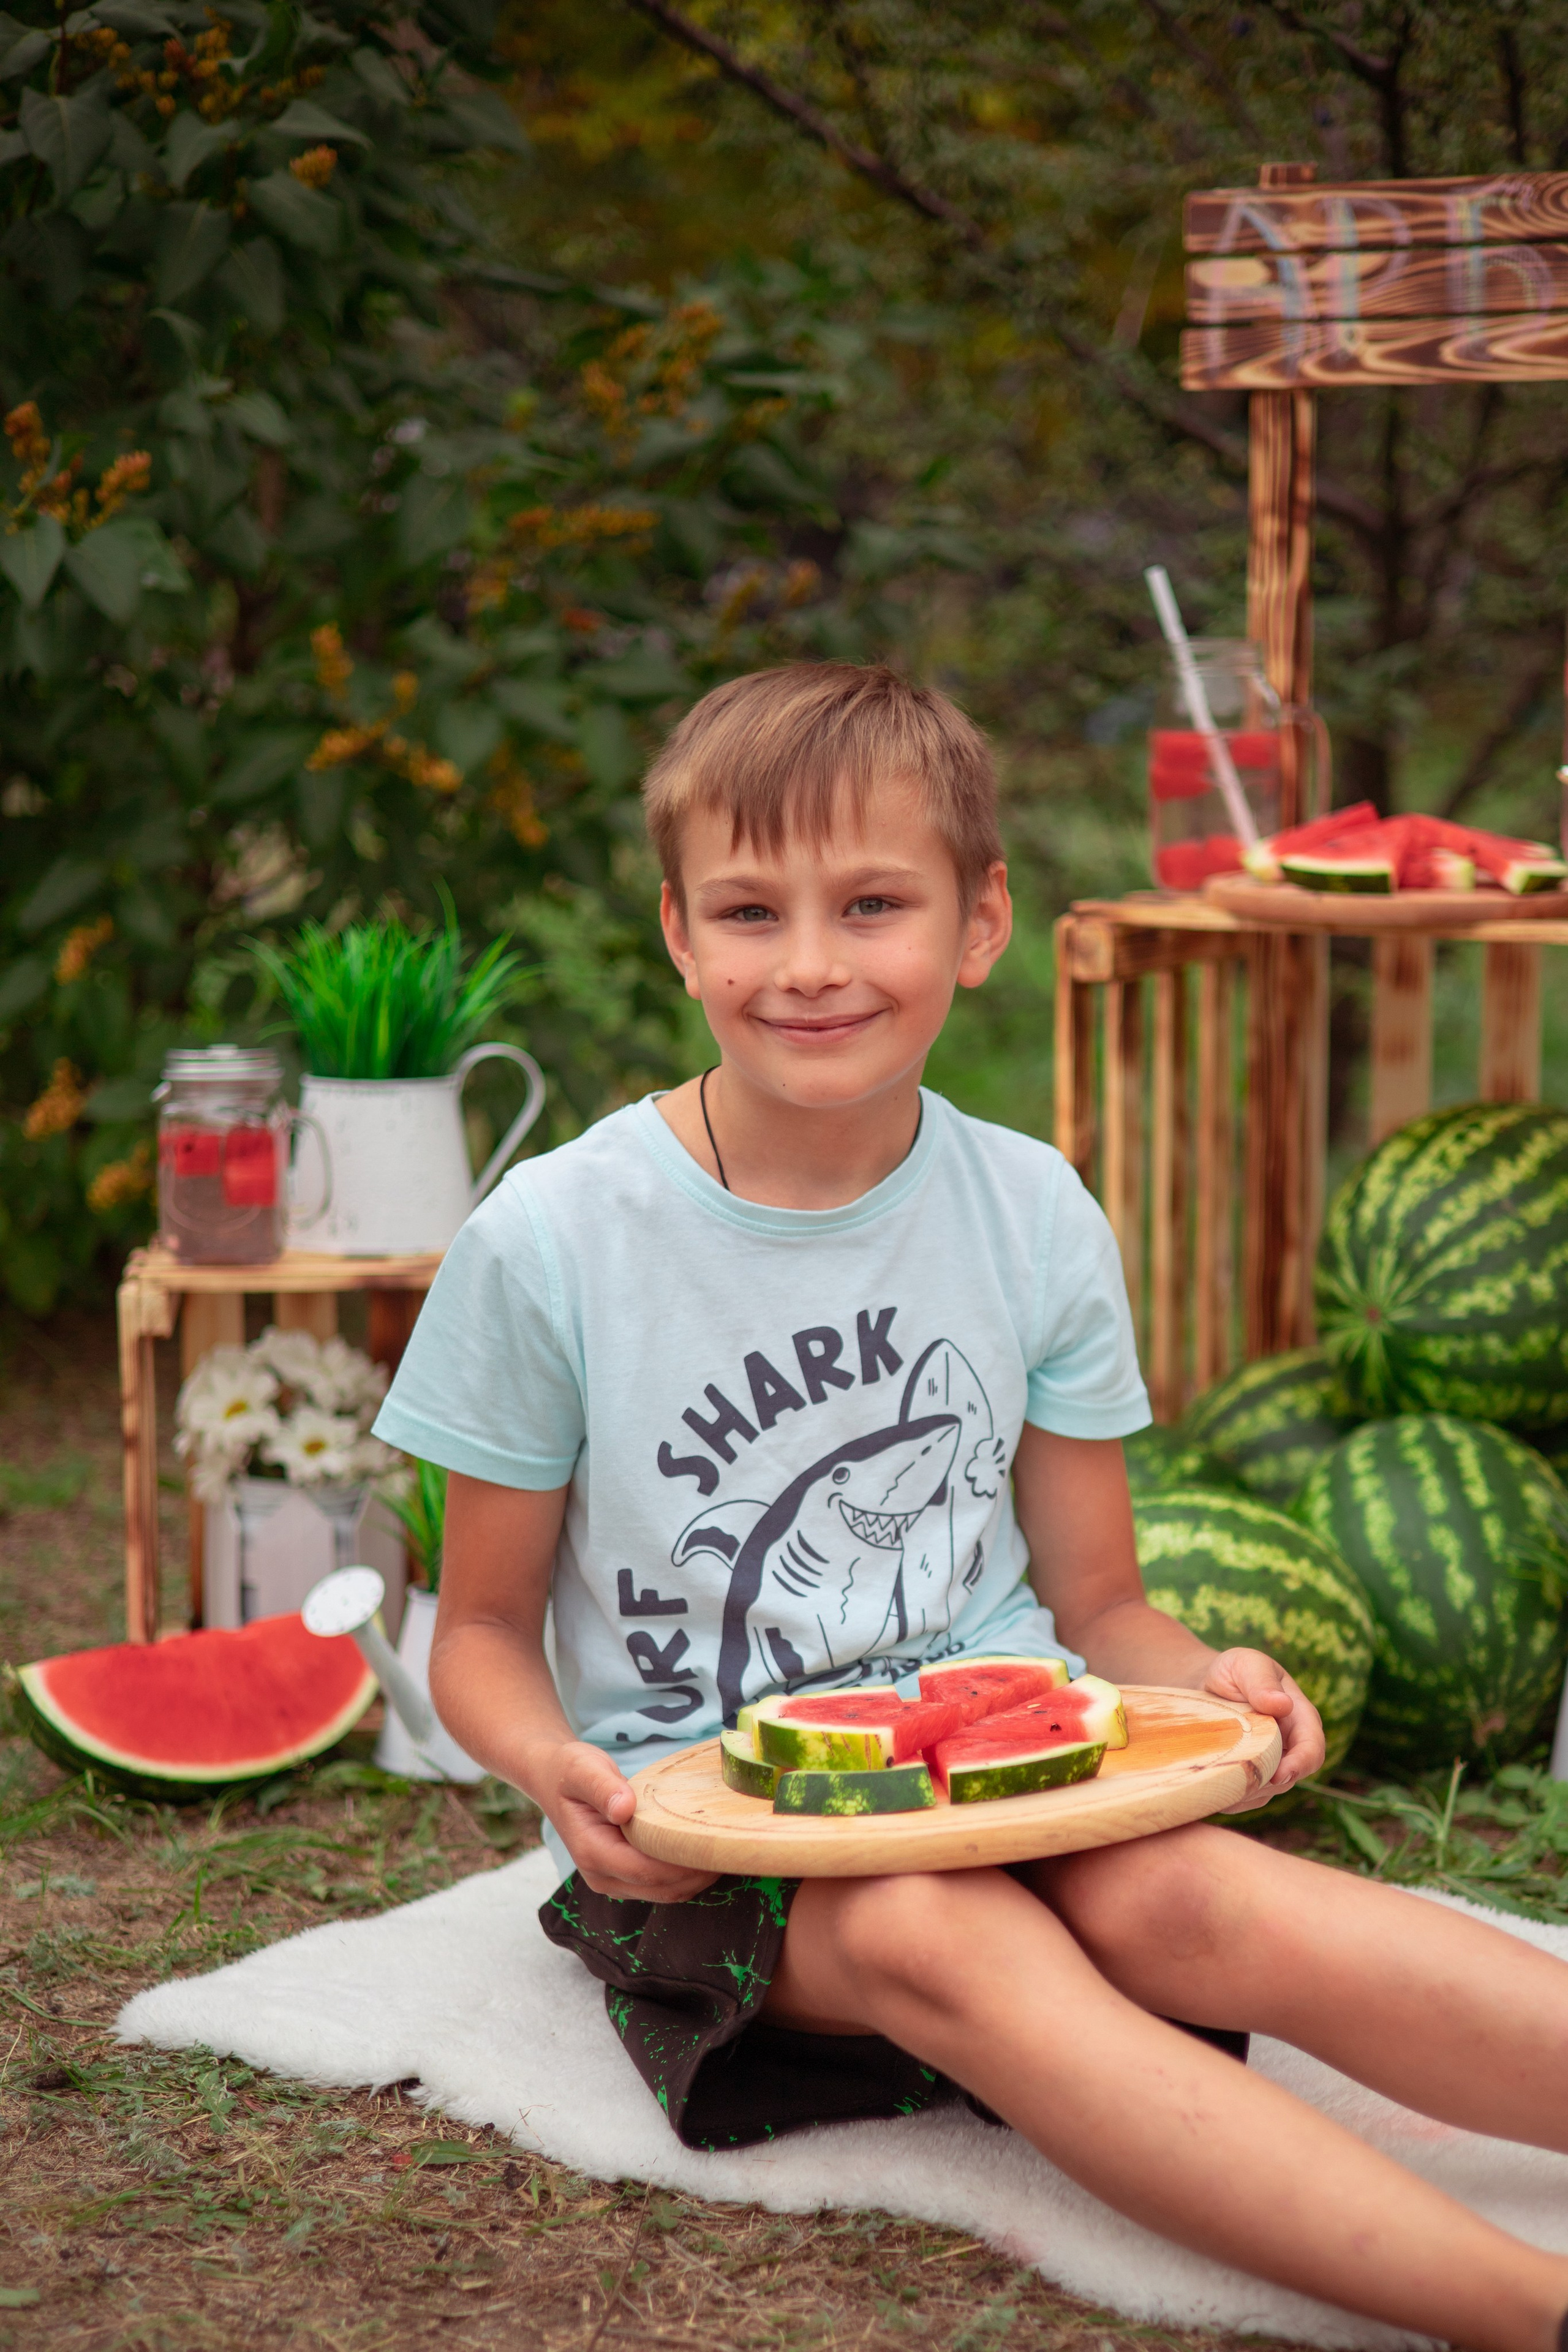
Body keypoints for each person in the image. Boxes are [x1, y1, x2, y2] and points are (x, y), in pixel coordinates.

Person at [374, 663, 1568, 2352]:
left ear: (980, 921)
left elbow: (1100, 1605)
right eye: (749, 909)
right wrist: (553, 1766)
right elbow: (481, 1632)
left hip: (1029, 1765)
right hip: (708, 1846)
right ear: (677, 933)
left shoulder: (1031, 1211)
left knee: (1211, 1904)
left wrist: (1205, 1671)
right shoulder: (554, 1243)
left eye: (873, 905)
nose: (808, 964)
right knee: (946, 1936)